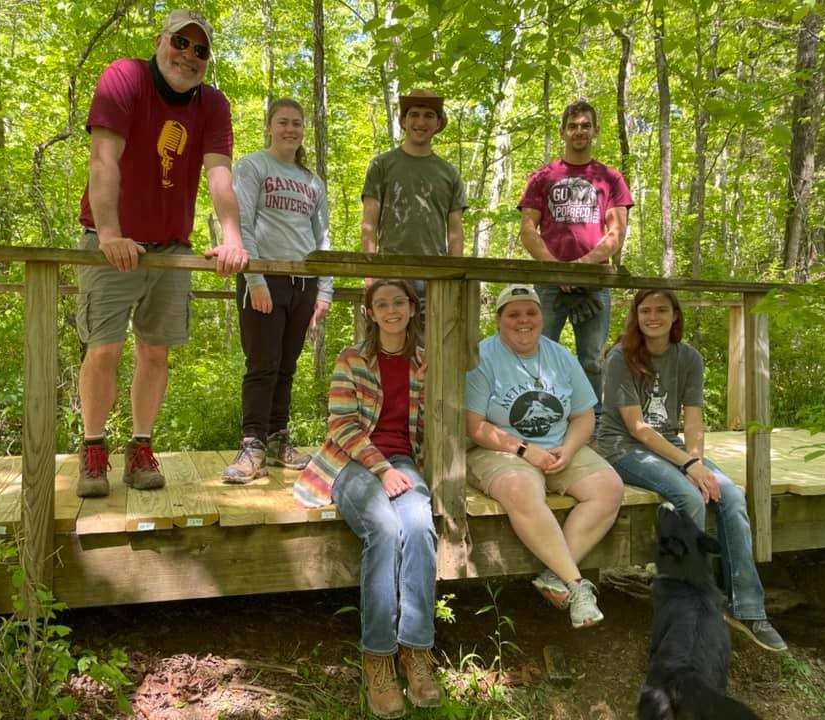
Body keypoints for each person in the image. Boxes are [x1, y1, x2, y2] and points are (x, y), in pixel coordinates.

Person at [75, 9, 248, 498]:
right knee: (104, 348)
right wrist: (110, 233)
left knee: (155, 353)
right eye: (181, 43)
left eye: (200, 50)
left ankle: (141, 447)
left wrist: (231, 236)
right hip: (112, 240)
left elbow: (219, 175)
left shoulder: (212, 104)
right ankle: (92, 448)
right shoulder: (125, 76)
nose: (189, 55)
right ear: (161, 40)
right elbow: (103, 157)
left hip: (171, 245)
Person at [597, 289, 787, 652]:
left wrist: (696, 461)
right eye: (645, 310)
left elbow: (693, 418)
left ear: (675, 316)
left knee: (730, 495)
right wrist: (686, 466)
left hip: (672, 445)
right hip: (621, 448)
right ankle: (686, 605)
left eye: (661, 310)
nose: (653, 316)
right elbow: (636, 427)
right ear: (636, 316)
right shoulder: (620, 357)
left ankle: (748, 608)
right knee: (688, 496)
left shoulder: (689, 357)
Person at [293, 280, 442, 718]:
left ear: (413, 308)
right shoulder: (351, 359)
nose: (391, 310)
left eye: (399, 302)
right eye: (382, 304)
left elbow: (439, 417)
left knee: (417, 523)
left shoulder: (426, 361)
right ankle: (377, 657)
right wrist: (382, 469)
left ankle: (415, 651)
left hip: (403, 462)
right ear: (371, 313)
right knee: (384, 525)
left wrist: (406, 469)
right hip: (349, 463)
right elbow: (341, 426)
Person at [465, 284, 624, 629]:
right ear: (499, 320)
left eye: (531, 312)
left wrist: (567, 449)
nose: (524, 320)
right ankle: (577, 586)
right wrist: (525, 450)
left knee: (609, 488)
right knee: (521, 490)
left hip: (558, 446)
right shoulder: (482, 358)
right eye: (514, 313)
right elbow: (474, 427)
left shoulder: (559, 355)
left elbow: (583, 416)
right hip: (500, 450)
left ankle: (555, 575)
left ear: (542, 315)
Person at [220, 99, 333, 482]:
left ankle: (277, 438)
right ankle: (251, 444)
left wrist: (325, 290)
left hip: (305, 283)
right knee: (262, 365)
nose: (290, 129)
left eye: (296, 123)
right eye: (282, 122)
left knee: (287, 366)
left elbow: (323, 237)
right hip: (264, 278)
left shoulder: (312, 180)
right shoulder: (252, 166)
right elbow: (242, 223)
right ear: (269, 126)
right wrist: (255, 279)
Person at [517, 99, 633, 418]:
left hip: (594, 283)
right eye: (572, 126)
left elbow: (616, 232)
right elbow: (528, 229)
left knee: (592, 360)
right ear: (563, 132)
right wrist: (556, 270)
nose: (579, 131)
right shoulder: (543, 176)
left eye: (585, 125)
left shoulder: (610, 178)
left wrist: (581, 268)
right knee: (537, 354)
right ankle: (537, 417)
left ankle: (593, 424)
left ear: (595, 130)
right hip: (550, 284)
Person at [360, 88, 467, 310]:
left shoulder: (449, 173)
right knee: (388, 343)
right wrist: (370, 276)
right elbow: (369, 224)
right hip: (390, 272)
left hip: (434, 276)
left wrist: (453, 278)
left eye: (429, 115)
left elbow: (455, 233)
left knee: (432, 343)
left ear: (438, 123)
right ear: (403, 120)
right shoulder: (382, 165)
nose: (421, 122)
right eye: (414, 114)